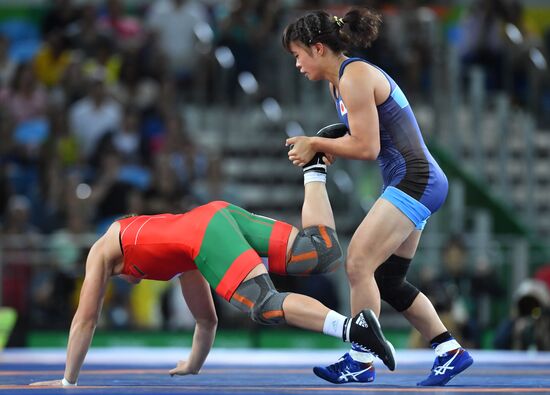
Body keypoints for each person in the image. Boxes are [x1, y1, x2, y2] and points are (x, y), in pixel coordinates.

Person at [29, 153, 395, 387]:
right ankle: (314, 170)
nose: (132, 279)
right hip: (217, 213)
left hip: (204, 233)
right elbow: (206, 321)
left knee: (265, 304)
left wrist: (67, 382)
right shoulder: (173, 254)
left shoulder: (102, 248)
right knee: (321, 252)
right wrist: (192, 364)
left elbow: (85, 319)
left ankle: (353, 329)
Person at [283, 8, 473, 386]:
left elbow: (368, 147)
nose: (298, 64)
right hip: (414, 180)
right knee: (387, 279)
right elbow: (367, 133)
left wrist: (317, 142)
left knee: (358, 262)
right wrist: (334, 142)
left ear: (318, 48)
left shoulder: (354, 76)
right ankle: (449, 350)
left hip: (414, 179)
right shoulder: (339, 81)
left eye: (298, 54)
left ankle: (360, 359)